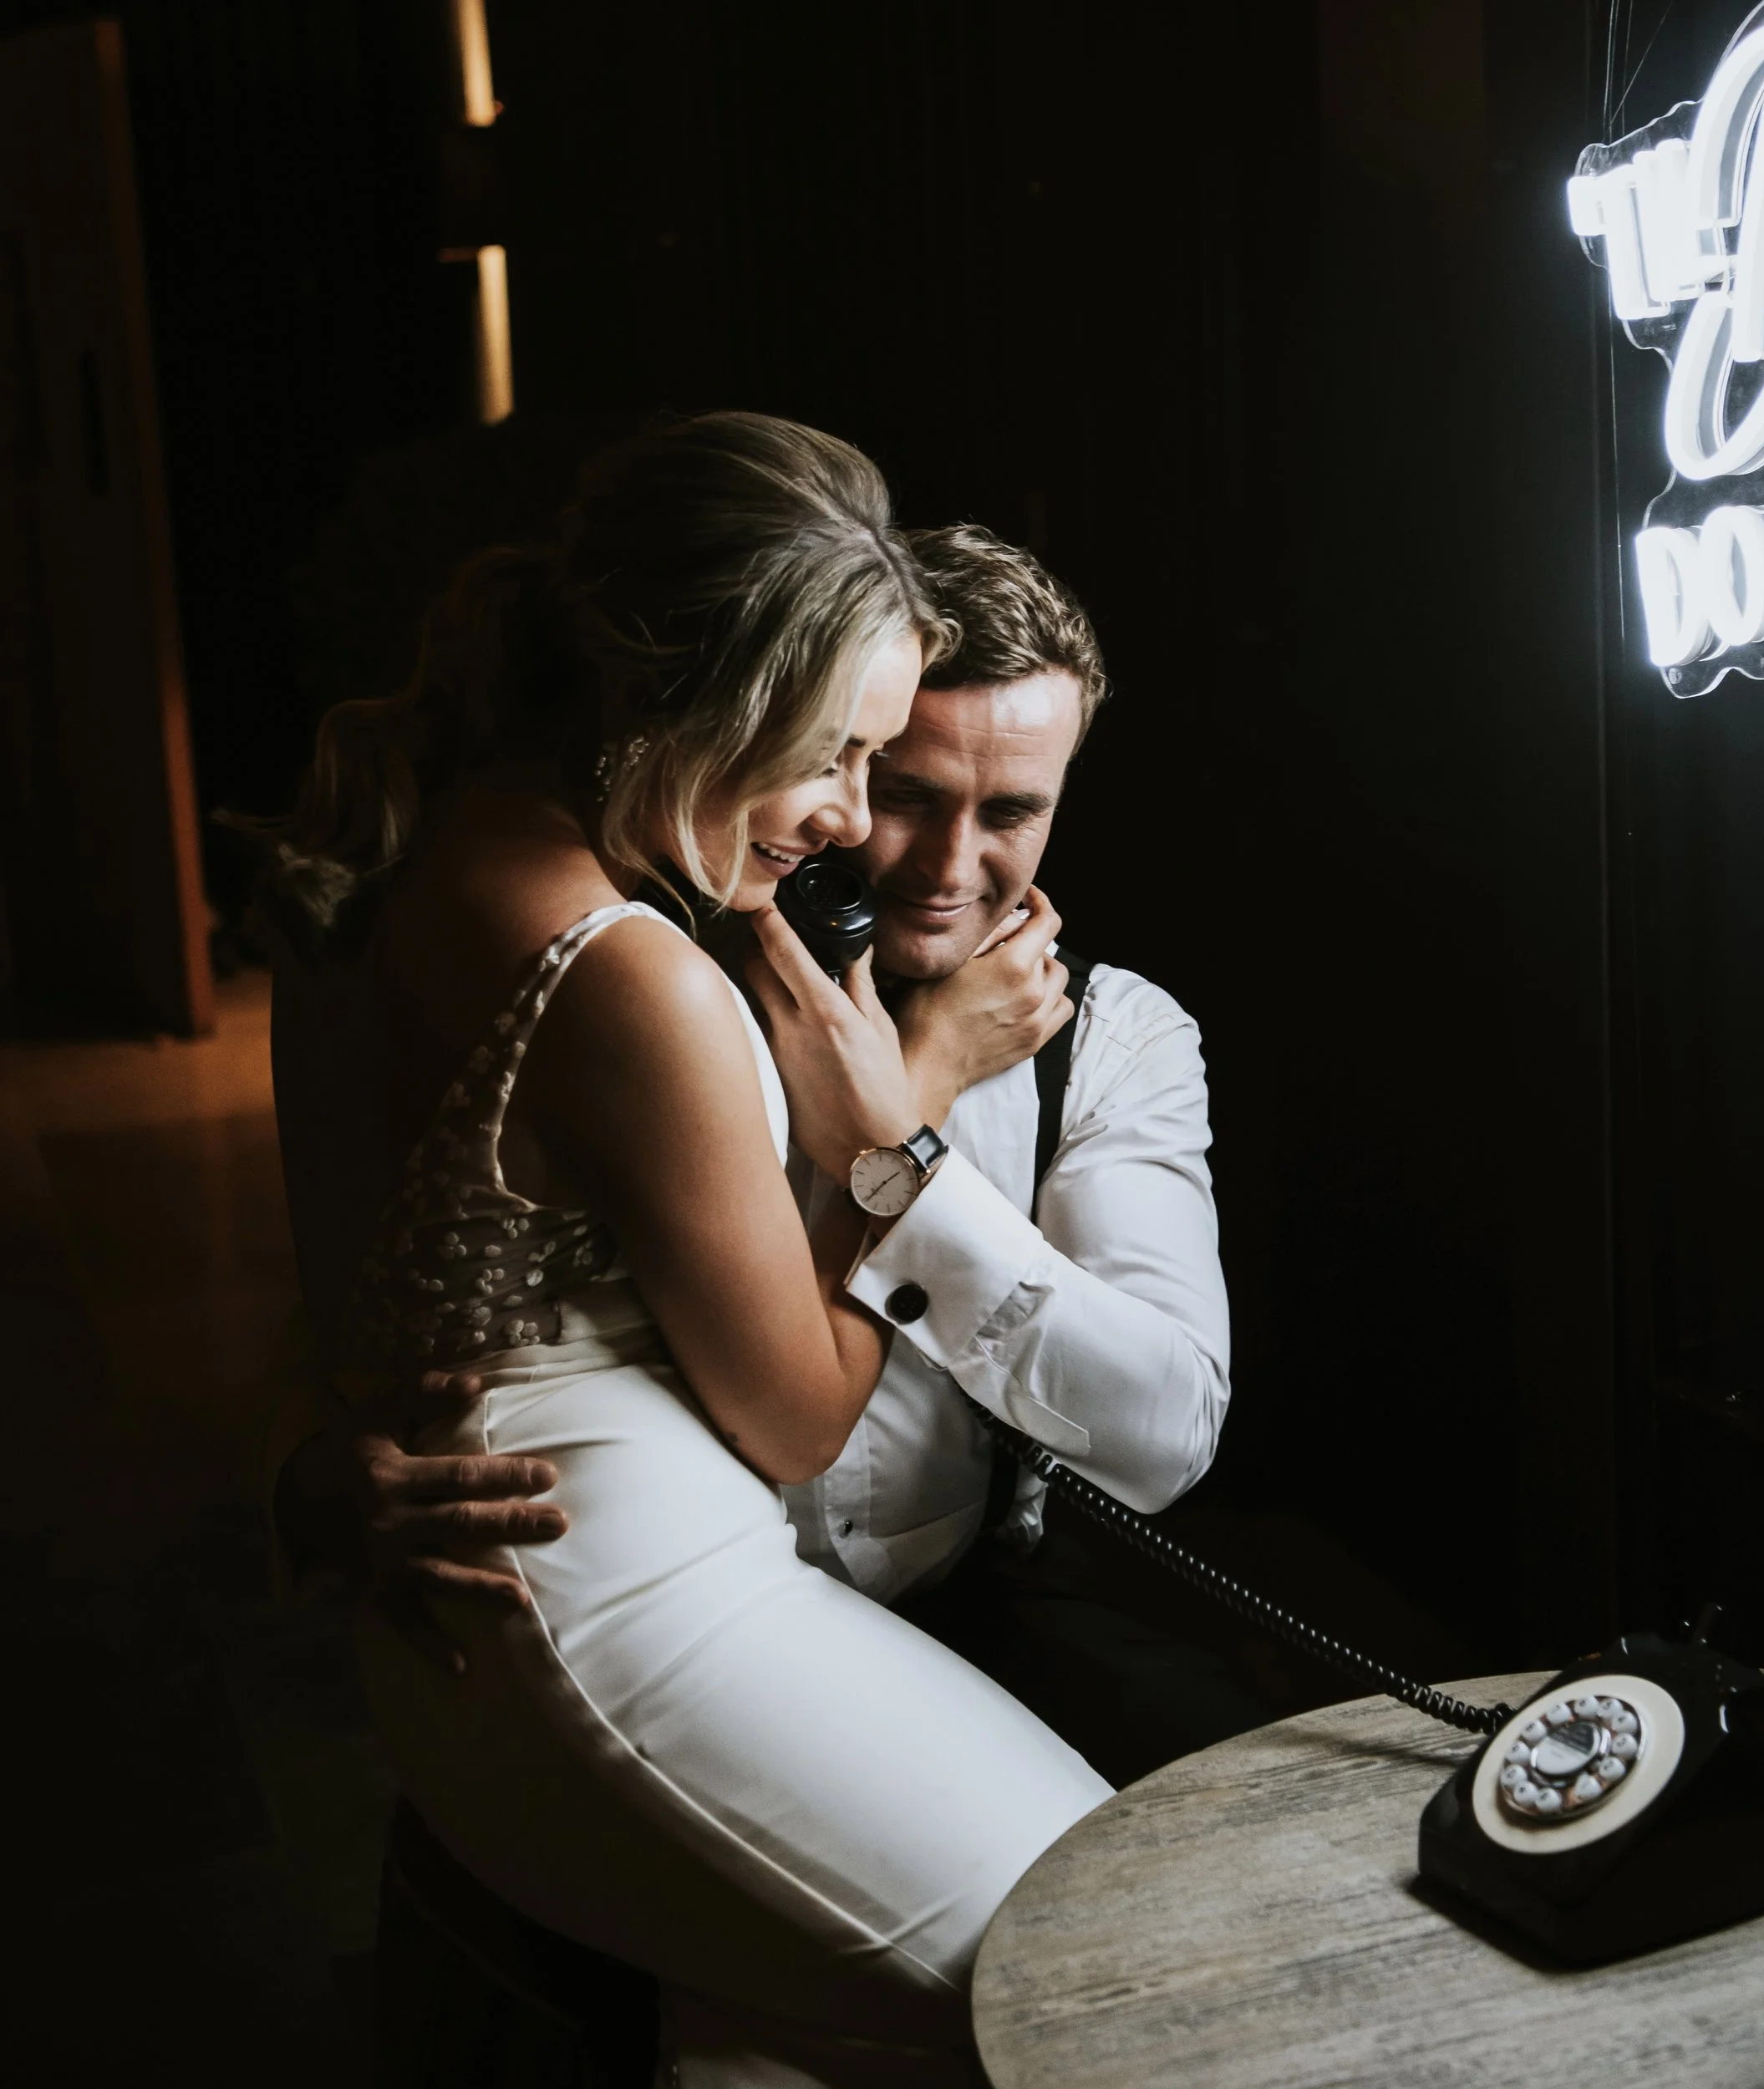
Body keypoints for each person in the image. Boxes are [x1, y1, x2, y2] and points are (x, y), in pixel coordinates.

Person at [259, 411, 1111, 2088]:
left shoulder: (402, 844)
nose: (854, 819)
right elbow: (799, 1415)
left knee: (787, 2023)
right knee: (1096, 1960)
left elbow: (350, 1295)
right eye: (838, 755)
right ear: (706, 697)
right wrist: (909, 1102)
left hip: (495, 1609)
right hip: (609, 1602)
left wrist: (303, 1474)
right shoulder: (622, 973)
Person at [276, 525, 1252, 1788]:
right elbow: (440, 1250)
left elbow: (1166, 1433)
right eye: (899, 794)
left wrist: (897, 1150)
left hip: (976, 1602)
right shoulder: (654, 985)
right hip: (668, 1615)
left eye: (1012, 812)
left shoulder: (1118, 1040)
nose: (953, 870)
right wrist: (304, 1466)